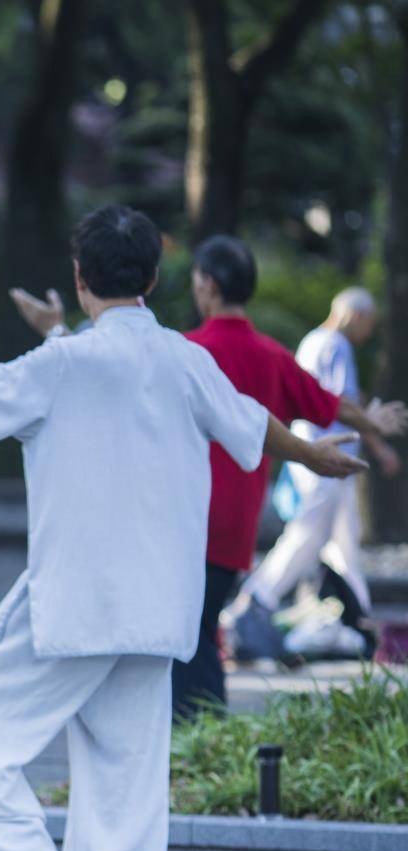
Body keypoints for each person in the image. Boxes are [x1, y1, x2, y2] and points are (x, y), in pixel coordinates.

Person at [0, 204, 367, 851]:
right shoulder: (185, 360)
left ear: (79, 278)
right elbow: (254, 423)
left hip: (77, 593)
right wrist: (318, 456)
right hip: (162, 601)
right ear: (156, 279)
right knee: (125, 762)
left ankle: (5, 841)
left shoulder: (65, 363)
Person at [166, 237, 401, 715]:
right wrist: (373, 425)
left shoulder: (185, 352)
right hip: (237, 521)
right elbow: (327, 402)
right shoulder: (270, 354)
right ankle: (202, 739)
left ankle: (196, 739)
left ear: (207, 285)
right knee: (202, 628)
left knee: (186, 639)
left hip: (184, 518)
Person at [227, 286, 400, 652]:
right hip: (327, 458)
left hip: (316, 454)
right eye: (368, 323)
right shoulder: (335, 345)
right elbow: (341, 404)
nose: (368, 333)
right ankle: (255, 601)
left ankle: (360, 617)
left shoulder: (311, 342)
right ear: (355, 315)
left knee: (342, 541)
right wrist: (377, 438)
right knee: (308, 536)